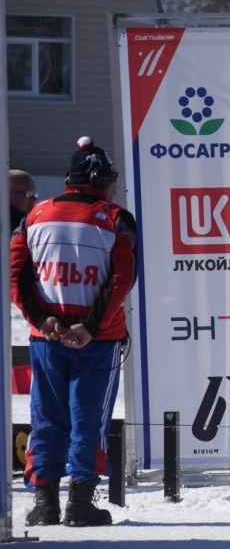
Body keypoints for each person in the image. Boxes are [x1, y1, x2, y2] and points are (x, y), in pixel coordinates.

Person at [11, 137, 138, 527]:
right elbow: (122, 280)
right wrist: (89, 327)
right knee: (89, 421)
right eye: (111, 178)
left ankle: (45, 504)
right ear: (99, 179)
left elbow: (15, 276)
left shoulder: (34, 216)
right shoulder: (116, 218)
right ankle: (80, 505)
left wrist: (43, 322)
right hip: (97, 342)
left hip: (46, 340)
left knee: (45, 419)